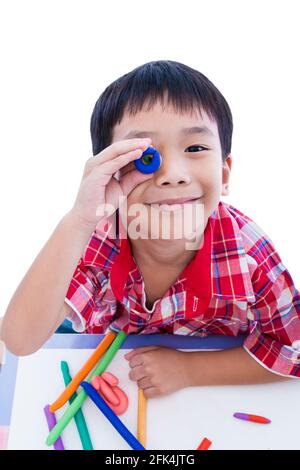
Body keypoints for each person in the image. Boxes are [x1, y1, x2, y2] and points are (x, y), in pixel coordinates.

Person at [2, 60, 300, 399]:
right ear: (111, 170)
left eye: (195, 148)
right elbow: (19, 340)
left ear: (225, 173)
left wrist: (191, 370)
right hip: (112, 355)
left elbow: (294, 350)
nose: (173, 174)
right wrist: (80, 219)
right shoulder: (99, 237)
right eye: (146, 156)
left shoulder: (251, 255)